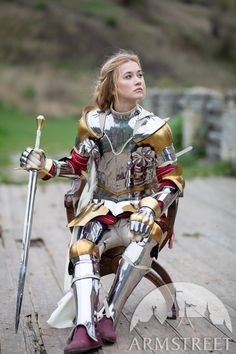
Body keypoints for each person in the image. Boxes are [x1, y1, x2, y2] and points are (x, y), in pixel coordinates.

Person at [20, 50, 184, 354]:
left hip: (140, 210)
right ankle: (85, 327)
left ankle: (108, 313)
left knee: (143, 238)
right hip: (100, 208)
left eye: (140, 74)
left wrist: (152, 206)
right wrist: (45, 165)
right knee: (82, 248)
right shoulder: (92, 123)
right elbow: (77, 166)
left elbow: (173, 181)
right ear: (112, 86)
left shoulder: (156, 128)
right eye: (129, 76)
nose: (138, 80)